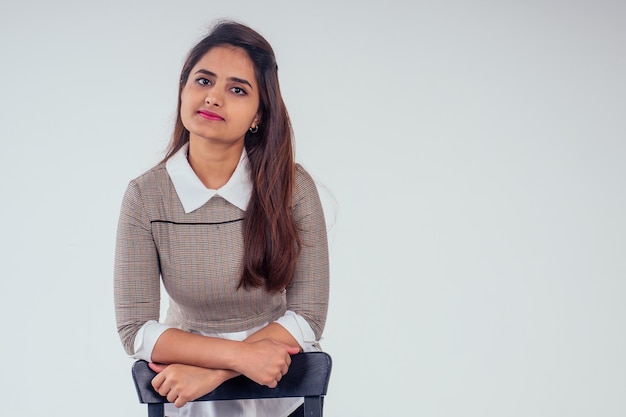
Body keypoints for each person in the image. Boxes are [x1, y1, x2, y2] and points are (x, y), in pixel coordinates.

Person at [114, 20, 330, 417]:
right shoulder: (145, 196)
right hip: (184, 386)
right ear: (182, 90)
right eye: (203, 81)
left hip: (279, 379)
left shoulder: (293, 187)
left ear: (258, 116)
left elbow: (309, 315)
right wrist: (236, 358)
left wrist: (215, 372)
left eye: (237, 89)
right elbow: (135, 331)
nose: (213, 97)